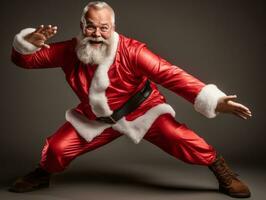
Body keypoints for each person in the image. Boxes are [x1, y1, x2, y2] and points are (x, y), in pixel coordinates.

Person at [10, 1, 252, 198]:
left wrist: (214, 100)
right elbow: (26, 61)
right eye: (91, 27)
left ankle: (221, 170)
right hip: (96, 118)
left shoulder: (133, 51)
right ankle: (42, 174)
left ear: (113, 27)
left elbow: (170, 74)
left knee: (181, 138)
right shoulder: (69, 51)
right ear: (82, 25)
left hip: (142, 110)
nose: (97, 34)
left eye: (104, 28)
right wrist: (26, 46)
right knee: (56, 149)